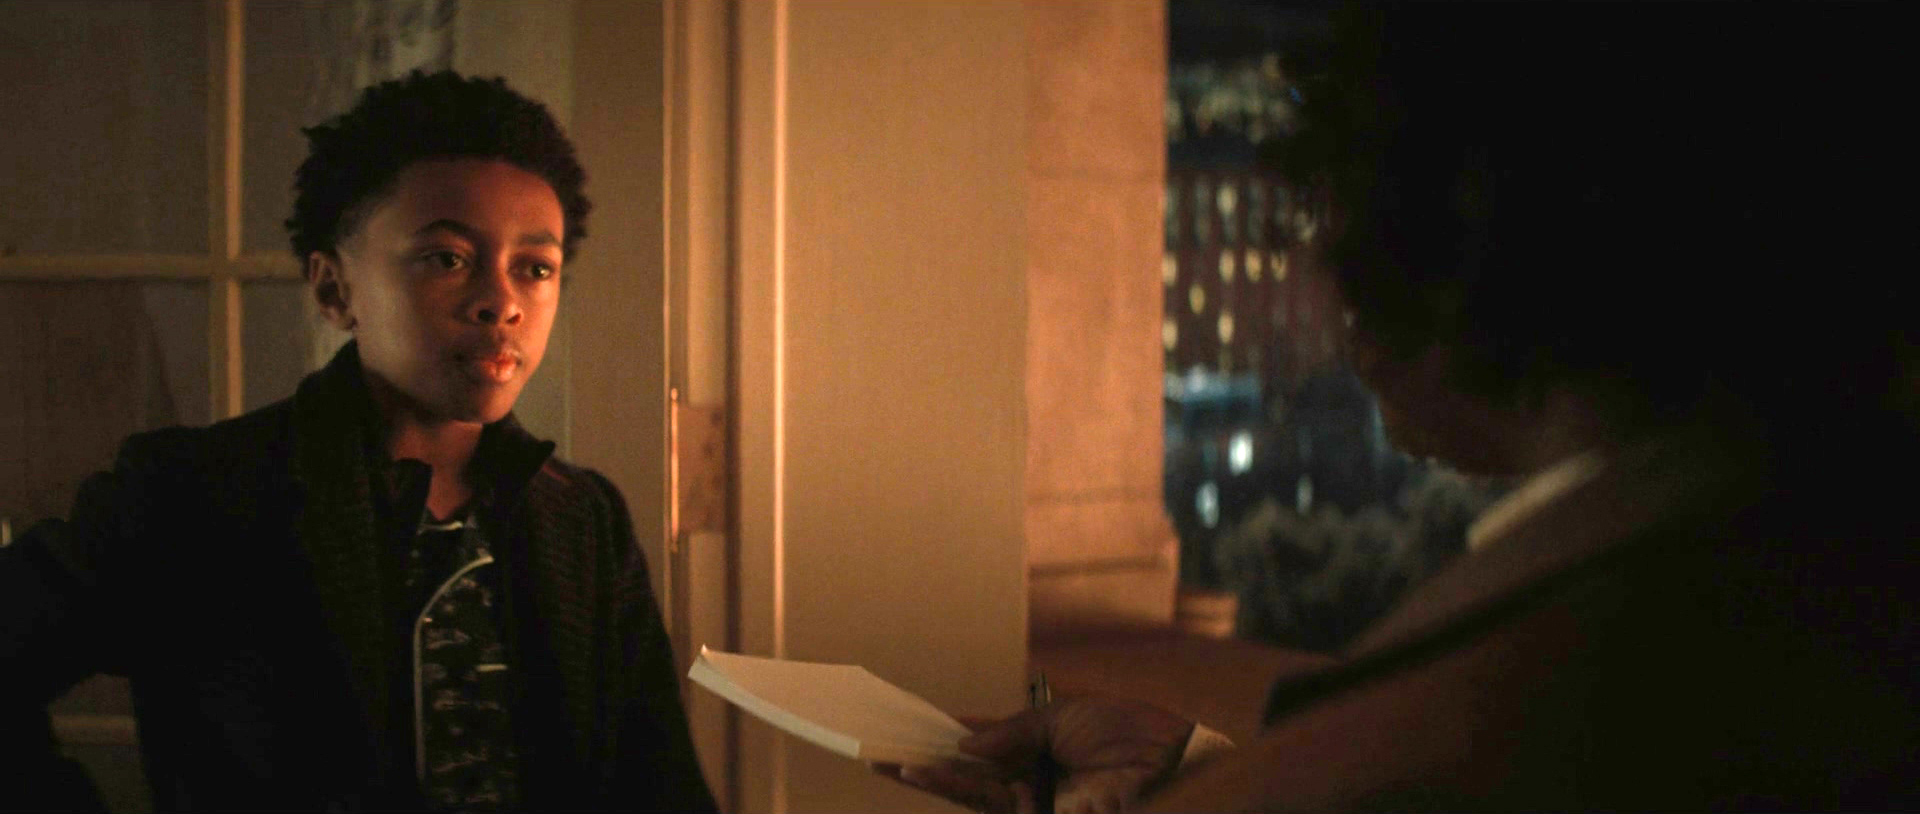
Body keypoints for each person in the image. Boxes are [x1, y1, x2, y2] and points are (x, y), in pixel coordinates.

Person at [889, 4, 1915, 812]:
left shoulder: (1594, 669)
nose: (1313, 268)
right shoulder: (1800, 563)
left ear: (1453, 216)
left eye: (1329, 196)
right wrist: (1203, 771)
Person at [1, 71, 716, 812]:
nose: (501, 302)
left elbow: (658, 783)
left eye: (534, 268)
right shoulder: (195, 495)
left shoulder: (583, 519)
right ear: (334, 289)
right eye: (448, 258)